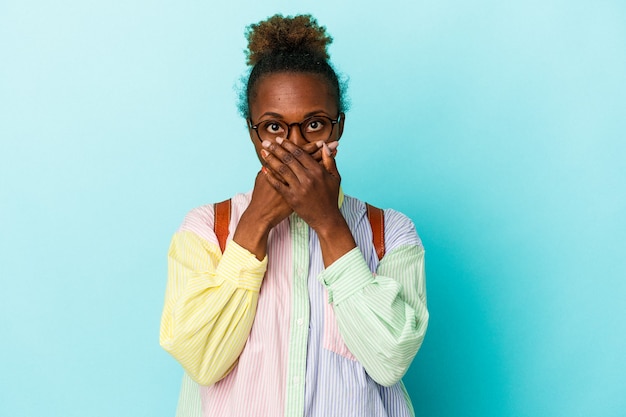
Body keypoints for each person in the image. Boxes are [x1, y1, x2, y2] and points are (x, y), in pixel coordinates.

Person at [160, 13, 429, 417]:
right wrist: (254, 224)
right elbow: (201, 360)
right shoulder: (205, 229)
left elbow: (389, 360)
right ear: (253, 132)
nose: (296, 145)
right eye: (273, 128)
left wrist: (328, 223)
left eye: (315, 124)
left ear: (339, 127)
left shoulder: (389, 232)